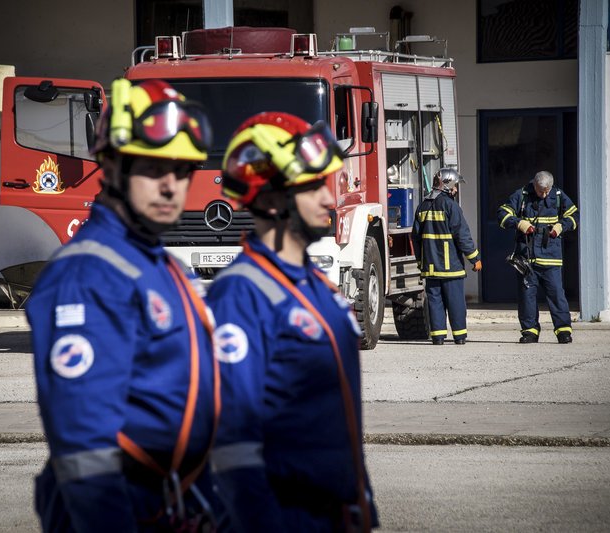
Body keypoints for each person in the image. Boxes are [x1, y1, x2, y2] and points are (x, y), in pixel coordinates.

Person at [26, 78, 220, 531]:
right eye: (153, 168)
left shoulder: (164, 266)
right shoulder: (88, 274)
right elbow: (86, 451)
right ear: (111, 165)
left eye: (183, 170)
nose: (171, 186)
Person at [206, 112, 378, 532]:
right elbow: (233, 440)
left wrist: (359, 505)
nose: (329, 199)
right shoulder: (241, 294)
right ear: (270, 200)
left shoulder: (317, 288)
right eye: (312, 187)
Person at [498, 170, 579, 344]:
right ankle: (530, 332)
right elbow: (502, 214)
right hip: (526, 259)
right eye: (540, 191)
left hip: (551, 259)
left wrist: (561, 226)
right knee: (527, 297)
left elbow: (574, 216)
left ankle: (563, 331)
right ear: (534, 184)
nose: (544, 195)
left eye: (547, 191)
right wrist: (519, 223)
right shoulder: (522, 195)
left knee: (557, 295)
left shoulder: (558, 196)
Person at [412, 168, 481, 345]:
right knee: (456, 302)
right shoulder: (451, 206)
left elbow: (416, 239)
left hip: (430, 267)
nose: (456, 189)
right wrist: (474, 259)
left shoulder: (422, 206)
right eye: (455, 185)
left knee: (435, 302)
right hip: (451, 267)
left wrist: (420, 262)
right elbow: (462, 236)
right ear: (448, 185)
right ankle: (459, 336)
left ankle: (438, 337)